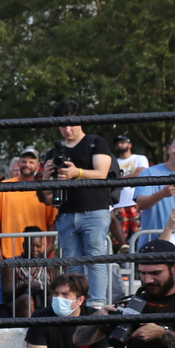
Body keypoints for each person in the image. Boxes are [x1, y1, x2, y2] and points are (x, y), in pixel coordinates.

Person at [41, 101, 117, 305]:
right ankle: (72, 302)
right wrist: (46, 175)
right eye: (63, 125)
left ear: (81, 121)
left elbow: (102, 173)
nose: (67, 129)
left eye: (71, 123)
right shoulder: (55, 151)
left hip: (94, 210)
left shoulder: (96, 142)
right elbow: (46, 191)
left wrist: (77, 173)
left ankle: (96, 304)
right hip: (66, 213)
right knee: (71, 262)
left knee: (94, 258)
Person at [25, 274, 118, 348]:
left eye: (65, 295)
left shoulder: (96, 317)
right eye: (56, 294)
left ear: (80, 300)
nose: (59, 299)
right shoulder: (40, 316)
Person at [0, 148, 58, 317]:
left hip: (39, 253)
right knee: (15, 297)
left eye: (31, 162)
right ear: (19, 163)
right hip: (10, 254)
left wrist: (47, 250)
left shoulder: (45, 190)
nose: (27, 165)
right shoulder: (4, 187)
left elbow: (52, 224)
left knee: (49, 296)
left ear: (38, 165)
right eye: (24, 161)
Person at [109, 132, 149, 250]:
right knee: (123, 244)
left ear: (130, 144)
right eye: (118, 144)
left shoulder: (139, 158)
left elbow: (140, 173)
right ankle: (126, 266)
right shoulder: (113, 162)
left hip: (136, 203)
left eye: (122, 142)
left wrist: (118, 180)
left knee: (140, 238)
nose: (120, 145)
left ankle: (139, 266)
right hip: (119, 204)